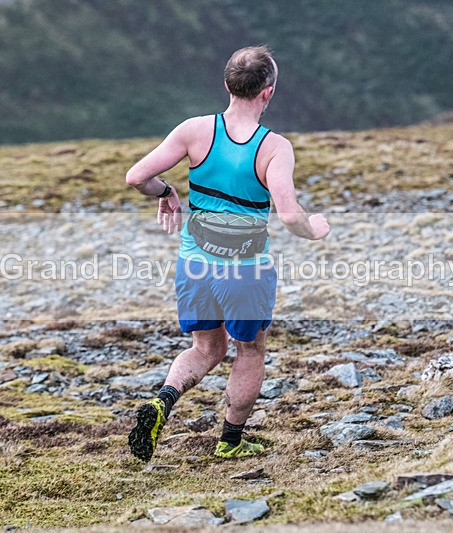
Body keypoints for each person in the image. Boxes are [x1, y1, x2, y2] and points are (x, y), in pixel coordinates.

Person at [124, 45, 329, 461]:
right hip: (246, 269)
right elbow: (289, 216)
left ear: (227, 85)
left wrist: (166, 192)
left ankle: (163, 401)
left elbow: (136, 177)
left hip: (195, 260)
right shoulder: (274, 147)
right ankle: (229, 442)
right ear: (267, 92)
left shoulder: (194, 130)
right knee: (248, 349)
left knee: (206, 349)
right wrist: (316, 228)